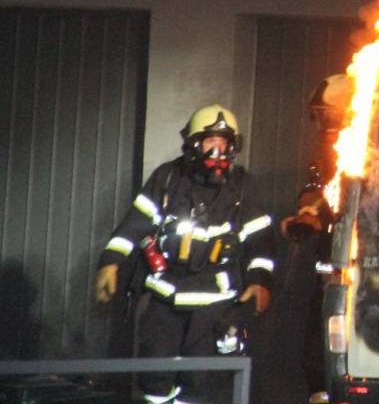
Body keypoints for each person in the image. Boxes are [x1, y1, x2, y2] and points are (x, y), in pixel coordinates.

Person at [95, 105, 275, 404]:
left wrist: (259, 280)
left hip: (215, 305)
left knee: (201, 382)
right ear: (193, 144)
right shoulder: (167, 179)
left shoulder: (242, 188)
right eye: (210, 142)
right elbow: (134, 226)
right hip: (164, 300)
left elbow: (260, 243)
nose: (218, 151)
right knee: (154, 376)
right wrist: (110, 263)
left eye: (225, 143)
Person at [278, 74, 352, 404]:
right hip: (329, 266)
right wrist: (306, 213)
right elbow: (318, 191)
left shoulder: (373, 147)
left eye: (330, 115)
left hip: (363, 263)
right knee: (318, 333)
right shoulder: (329, 152)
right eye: (321, 116)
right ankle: (320, 393)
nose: (324, 124)